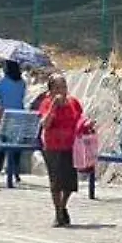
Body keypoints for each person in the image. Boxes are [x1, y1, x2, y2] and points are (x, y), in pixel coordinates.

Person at [36, 73, 85, 226]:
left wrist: (87, 125)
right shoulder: (46, 103)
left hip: (71, 145)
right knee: (56, 181)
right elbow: (45, 124)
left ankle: (63, 206)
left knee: (70, 182)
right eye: (57, 88)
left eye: (64, 87)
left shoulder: (73, 102)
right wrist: (53, 107)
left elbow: (80, 119)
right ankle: (58, 212)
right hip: (53, 146)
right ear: (50, 90)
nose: (61, 91)